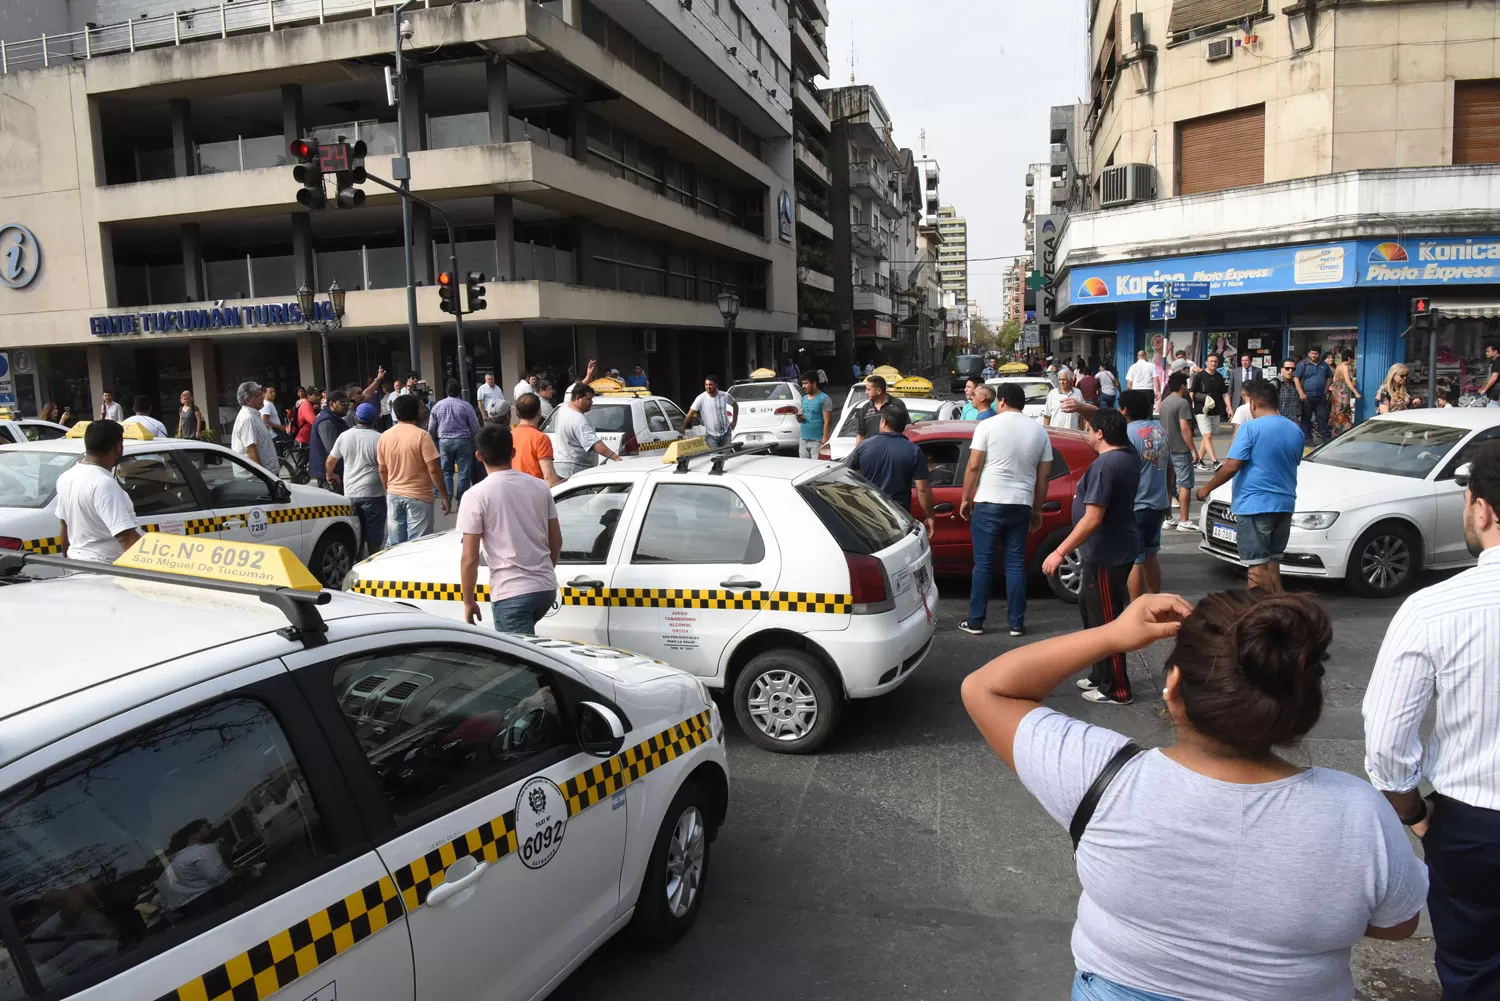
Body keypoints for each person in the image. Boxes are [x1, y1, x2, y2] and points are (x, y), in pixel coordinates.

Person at [961, 589, 1426, 1001]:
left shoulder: (1101, 776)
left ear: (1174, 686)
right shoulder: (1359, 812)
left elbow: (987, 688)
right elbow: (1397, 925)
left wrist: (1114, 634)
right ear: (1303, 706)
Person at [1364, 441, 1500, 1000]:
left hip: (1475, 829)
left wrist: (1415, 812)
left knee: (1472, 971)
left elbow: (1388, 744)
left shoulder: (1435, 608)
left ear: (1484, 508)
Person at [1042, 409, 1140, 705]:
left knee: (1108, 622)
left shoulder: (1106, 465)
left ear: (1100, 434)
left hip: (1107, 553)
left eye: (1089, 429)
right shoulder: (1128, 453)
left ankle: (1117, 689)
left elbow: (1093, 517)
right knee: (1092, 615)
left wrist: (1060, 552)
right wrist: (1085, 409)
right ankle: (1100, 674)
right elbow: (1110, 421)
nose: (1085, 434)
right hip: (1103, 551)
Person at [958, 382, 1051, 638]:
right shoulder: (1039, 431)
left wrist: (966, 498)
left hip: (989, 501)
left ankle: (976, 621)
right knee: (1015, 564)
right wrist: (1038, 509)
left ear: (1001, 401)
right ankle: (1016, 624)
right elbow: (1044, 476)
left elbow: (974, 466)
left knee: (984, 565)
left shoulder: (987, 425)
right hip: (1021, 503)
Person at [1196, 380, 1304, 592]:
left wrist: (1205, 489)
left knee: (1256, 564)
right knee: (1273, 561)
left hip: (1255, 505)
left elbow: (1232, 465)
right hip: (1284, 503)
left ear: (1252, 404)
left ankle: (1259, 612)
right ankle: (1279, 608)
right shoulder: (1295, 430)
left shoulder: (1250, 428)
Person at [459, 424, 563, 634]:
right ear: (513, 452)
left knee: (521, 662)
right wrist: (543, 571)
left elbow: (469, 558)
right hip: (546, 588)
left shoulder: (476, 495)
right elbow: (556, 540)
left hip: (511, 593)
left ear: (479, 456)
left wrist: (468, 601)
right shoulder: (540, 487)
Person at [52, 419, 140, 563]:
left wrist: (66, 562)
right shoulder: (104, 483)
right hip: (106, 572)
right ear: (118, 446)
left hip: (78, 566)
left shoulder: (66, 477)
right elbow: (125, 536)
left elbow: (65, 526)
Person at [848, 408, 935, 535]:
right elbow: (922, 489)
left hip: (870, 514)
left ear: (883, 422)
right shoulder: (913, 451)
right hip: (900, 516)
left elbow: (846, 474)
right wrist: (930, 515)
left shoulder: (864, 446)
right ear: (903, 427)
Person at [378, 393, 450, 544]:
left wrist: (389, 489)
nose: (424, 410)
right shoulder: (422, 436)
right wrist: (444, 495)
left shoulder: (385, 436)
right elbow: (434, 470)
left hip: (393, 495)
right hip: (419, 496)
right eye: (422, 407)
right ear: (415, 411)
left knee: (395, 545)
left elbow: (382, 470)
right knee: (419, 544)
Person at [1121, 390, 1169, 600]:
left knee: (1135, 559)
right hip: (1158, 503)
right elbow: (1169, 467)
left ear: (1124, 410)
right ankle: (1154, 600)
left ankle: (1136, 607)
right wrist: (1168, 495)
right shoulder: (1160, 431)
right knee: (1151, 554)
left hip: (1136, 504)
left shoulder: (1126, 433)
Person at [327, 403, 386, 555]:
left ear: (355, 418)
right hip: (374, 493)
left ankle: (358, 559)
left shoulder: (344, 436)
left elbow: (330, 461)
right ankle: (372, 560)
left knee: (355, 531)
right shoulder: (380, 438)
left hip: (351, 493)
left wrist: (330, 474)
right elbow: (385, 467)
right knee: (374, 533)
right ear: (375, 420)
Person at [429, 379, 483, 504]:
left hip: (444, 441)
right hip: (463, 441)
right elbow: (475, 427)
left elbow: (431, 428)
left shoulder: (438, 406)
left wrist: (432, 436)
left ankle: (447, 497)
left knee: (447, 471)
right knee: (464, 471)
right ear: (460, 391)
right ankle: (461, 500)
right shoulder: (466, 406)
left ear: (446, 391)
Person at [555, 383, 622, 478]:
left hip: (560, 466)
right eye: (589, 399)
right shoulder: (579, 420)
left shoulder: (563, 408)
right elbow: (594, 443)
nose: (591, 402)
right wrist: (616, 458)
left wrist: (589, 376)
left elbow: (576, 389)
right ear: (578, 398)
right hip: (576, 468)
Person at [1158, 371, 1197, 531]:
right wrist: (1194, 450)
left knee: (1168, 484)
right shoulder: (1183, 403)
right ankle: (1184, 520)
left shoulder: (1164, 403)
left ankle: (1168, 518)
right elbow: (1185, 429)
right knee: (1185, 484)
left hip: (1165, 448)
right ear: (1183, 385)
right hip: (1180, 449)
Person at [1190, 353, 1232, 470]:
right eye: (1211, 361)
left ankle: (1198, 460)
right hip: (1202, 410)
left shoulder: (1219, 376)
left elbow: (1224, 393)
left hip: (1215, 410)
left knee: (1207, 435)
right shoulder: (1199, 376)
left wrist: (1229, 407)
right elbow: (1192, 392)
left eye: (1215, 361)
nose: (1213, 363)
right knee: (1207, 435)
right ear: (1206, 363)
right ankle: (1215, 461)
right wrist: (1191, 407)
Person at [511, 393, 561, 485]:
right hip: (534, 492)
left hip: (513, 490)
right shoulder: (540, 438)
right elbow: (549, 476)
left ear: (517, 413)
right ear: (539, 412)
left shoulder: (509, 436)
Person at [307, 390, 349, 490]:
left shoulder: (334, 418)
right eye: (343, 403)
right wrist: (331, 472)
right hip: (329, 474)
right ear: (332, 404)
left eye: (348, 403)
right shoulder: (326, 421)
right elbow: (333, 450)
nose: (347, 406)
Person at [231, 381, 278, 471]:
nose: (262, 397)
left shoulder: (254, 414)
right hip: (256, 479)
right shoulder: (248, 418)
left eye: (261, 394)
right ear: (247, 400)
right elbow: (251, 450)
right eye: (257, 396)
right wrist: (263, 476)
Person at [851, 375, 908, 446]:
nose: (866, 392)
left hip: (892, 451)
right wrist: (858, 453)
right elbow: (860, 435)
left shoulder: (897, 404)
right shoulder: (865, 408)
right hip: (871, 452)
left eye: (869, 389)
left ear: (878, 391)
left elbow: (907, 429)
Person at [1294, 347, 1334, 445]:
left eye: (1316, 353)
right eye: (1312, 353)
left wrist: (1325, 390)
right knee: (1306, 419)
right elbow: (1296, 379)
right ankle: (1308, 439)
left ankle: (1327, 440)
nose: (1314, 355)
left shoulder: (1324, 365)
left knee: (1323, 418)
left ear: (1319, 354)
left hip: (1320, 397)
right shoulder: (1302, 364)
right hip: (1307, 397)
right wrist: (1301, 393)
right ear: (1308, 353)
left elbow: (1330, 377)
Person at [682, 376, 735, 450]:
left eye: (710, 384)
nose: (708, 387)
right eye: (706, 384)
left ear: (716, 385)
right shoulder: (701, 398)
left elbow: (735, 406)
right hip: (711, 436)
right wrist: (683, 427)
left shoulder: (725, 395)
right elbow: (690, 413)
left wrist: (734, 422)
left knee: (725, 458)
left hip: (726, 434)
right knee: (715, 458)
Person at [797, 373, 833, 459]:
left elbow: (828, 422)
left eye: (806, 383)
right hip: (803, 440)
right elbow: (801, 418)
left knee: (817, 468)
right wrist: (799, 418)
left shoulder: (824, 399)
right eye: (802, 383)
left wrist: (825, 439)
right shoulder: (804, 398)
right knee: (804, 468)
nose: (803, 386)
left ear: (814, 384)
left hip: (817, 441)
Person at [1330, 349, 1361, 435]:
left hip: (1336, 391)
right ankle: (1344, 433)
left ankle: (1336, 432)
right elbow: (1347, 381)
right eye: (1352, 359)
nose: (1352, 361)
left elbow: (1334, 380)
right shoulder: (1345, 367)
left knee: (1336, 412)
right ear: (1349, 358)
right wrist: (1356, 393)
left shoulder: (1338, 366)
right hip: (1343, 392)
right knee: (1344, 412)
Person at [1272, 358, 1303, 423]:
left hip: (1292, 422)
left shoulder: (1295, 384)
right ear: (1281, 369)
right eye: (1287, 368)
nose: (1290, 370)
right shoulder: (1275, 383)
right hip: (1278, 422)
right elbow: (1269, 405)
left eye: (1293, 369)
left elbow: (1298, 404)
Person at [1481, 342, 1500, 407]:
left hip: (1497, 395)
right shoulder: (1493, 362)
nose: (1486, 353)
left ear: (1495, 351)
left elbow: (1494, 377)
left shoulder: (1498, 361)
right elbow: (1490, 377)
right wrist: (1483, 387)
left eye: (1488, 351)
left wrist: (1484, 389)